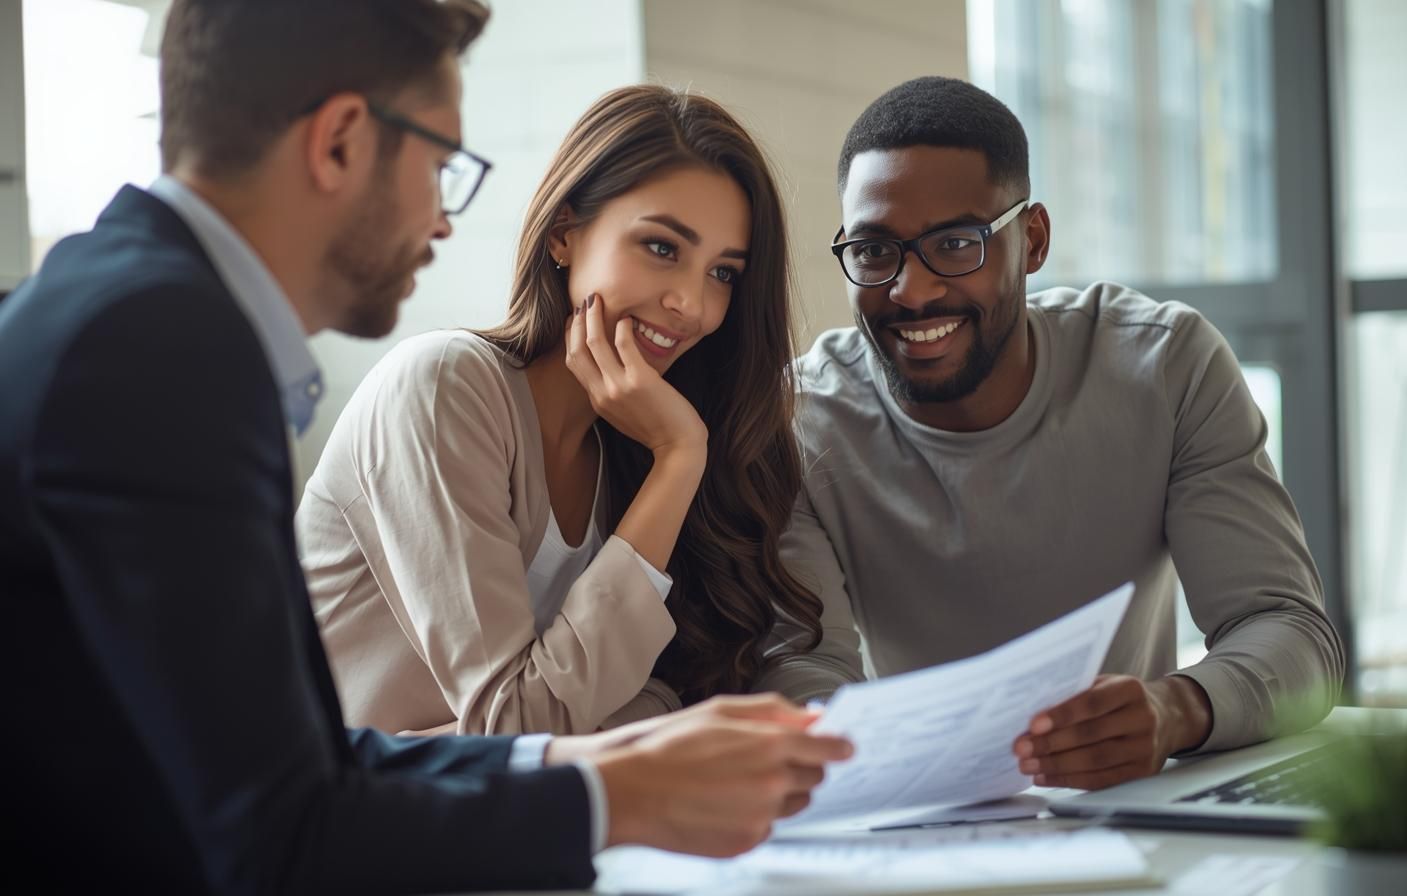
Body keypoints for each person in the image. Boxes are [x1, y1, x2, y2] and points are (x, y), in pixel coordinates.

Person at [0, 2, 848, 892]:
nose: (444, 222)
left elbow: (306, 766)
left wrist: (619, 768)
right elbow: (278, 825)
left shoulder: (127, 314)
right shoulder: (155, 349)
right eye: (442, 164)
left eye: (722, 272)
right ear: (340, 142)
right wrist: (616, 791)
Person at [757, 76, 1344, 790]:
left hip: (1127, 802)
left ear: (1031, 240)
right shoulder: (801, 419)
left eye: (956, 244)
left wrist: (1175, 709)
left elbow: (1291, 634)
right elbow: (802, 670)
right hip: (919, 813)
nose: (913, 290)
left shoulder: (1166, 367)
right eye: (876, 251)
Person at [297, 85, 823, 738]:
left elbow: (677, 695)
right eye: (663, 247)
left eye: (723, 274)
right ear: (563, 234)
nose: (691, 304)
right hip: (334, 802)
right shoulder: (443, 387)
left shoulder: (633, 437)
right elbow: (514, 724)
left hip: (499, 799)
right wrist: (679, 459)